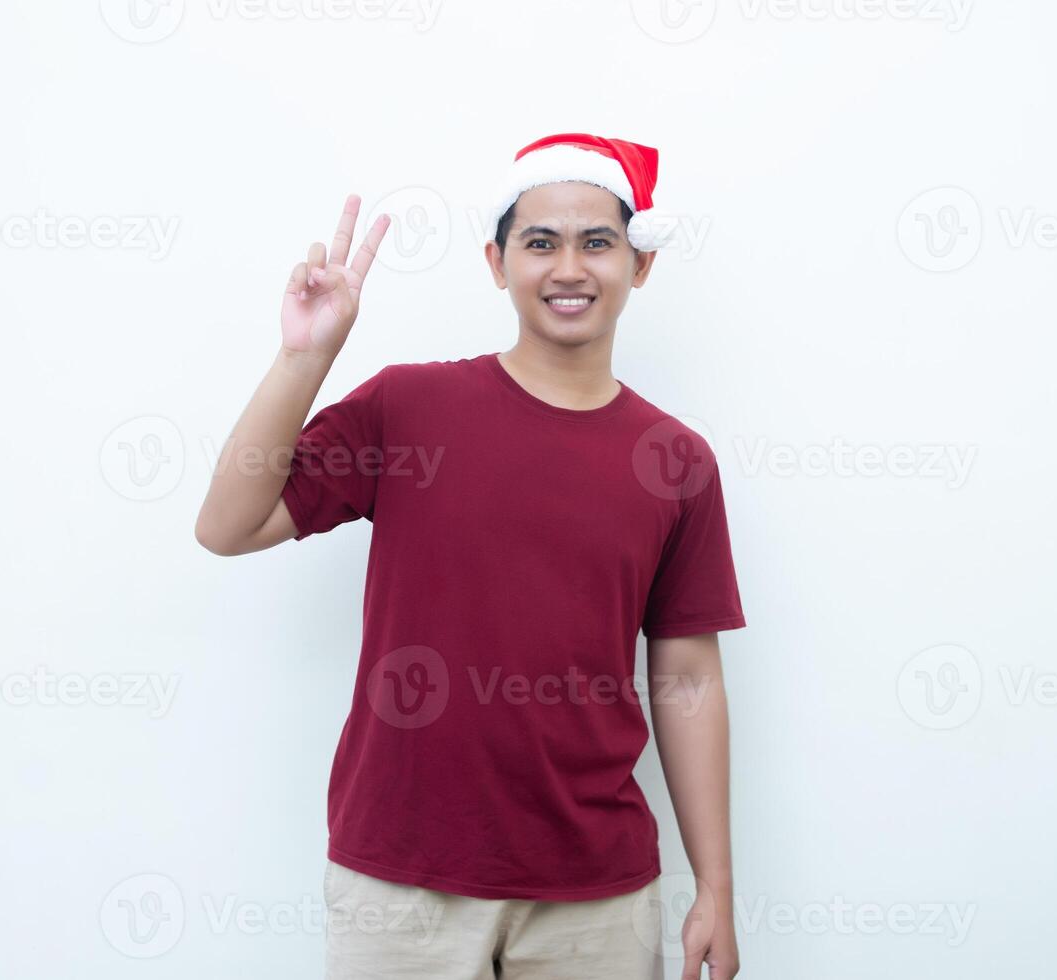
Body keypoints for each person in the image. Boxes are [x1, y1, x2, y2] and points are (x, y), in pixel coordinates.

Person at [195, 132, 746, 980]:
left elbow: (689, 678)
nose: (569, 267)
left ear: (639, 264)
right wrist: (306, 355)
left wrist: (716, 886)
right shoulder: (409, 407)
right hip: (401, 882)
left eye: (597, 242)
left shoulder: (676, 460)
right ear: (497, 262)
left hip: (595, 895)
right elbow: (229, 524)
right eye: (540, 242)